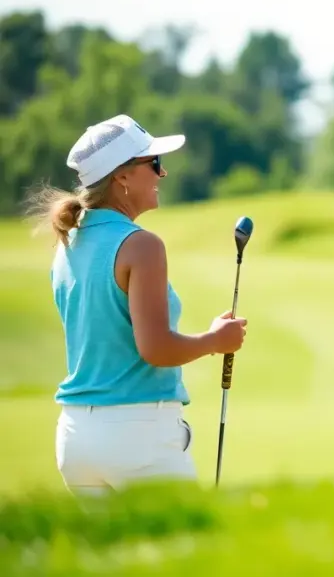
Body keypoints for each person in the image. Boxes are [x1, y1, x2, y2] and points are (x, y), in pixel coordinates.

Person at [26, 114, 248, 496]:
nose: (162, 174)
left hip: (76, 437)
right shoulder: (142, 245)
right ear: (122, 177)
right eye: (154, 163)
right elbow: (156, 348)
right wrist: (216, 340)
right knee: (188, 553)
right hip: (137, 436)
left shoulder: (67, 243)